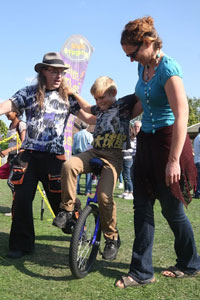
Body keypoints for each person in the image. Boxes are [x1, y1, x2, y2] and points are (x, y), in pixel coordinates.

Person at [115, 16, 200, 288]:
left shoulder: (169, 68)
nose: (131, 60)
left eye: (133, 54)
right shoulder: (143, 69)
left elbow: (181, 115)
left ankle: (190, 263)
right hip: (147, 142)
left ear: (149, 43)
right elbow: (143, 100)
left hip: (169, 142)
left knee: (172, 210)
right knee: (142, 207)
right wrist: (119, 109)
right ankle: (142, 272)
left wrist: (174, 161)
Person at [0, 52, 95, 259]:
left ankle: (80, 231)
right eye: (53, 71)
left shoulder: (68, 97)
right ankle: (21, 245)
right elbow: (6, 106)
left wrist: (76, 94)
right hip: (29, 156)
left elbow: (91, 118)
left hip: (54, 157)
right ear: (43, 72)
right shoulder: (28, 92)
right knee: (22, 199)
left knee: (61, 200)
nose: (59, 75)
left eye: (61, 71)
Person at [53, 76, 138, 261]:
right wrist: (73, 93)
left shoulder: (124, 104)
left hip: (113, 157)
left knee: (104, 197)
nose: (99, 103)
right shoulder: (99, 109)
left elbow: (142, 94)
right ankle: (67, 210)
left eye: (102, 98)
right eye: (97, 99)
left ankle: (111, 238)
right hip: (95, 152)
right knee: (69, 165)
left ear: (113, 93)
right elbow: (85, 108)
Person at [0, 110, 26, 216]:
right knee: (13, 183)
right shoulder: (10, 125)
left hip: (19, 158)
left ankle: (20, 206)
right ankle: (15, 208)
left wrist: (8, 150)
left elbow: (23, 142)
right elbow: (10, 141)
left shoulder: (21, 124)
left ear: (16, 112)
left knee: (12, 182)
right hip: (11, 158)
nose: (6, 114)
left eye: (8, 112)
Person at [72, 122, 93, 196]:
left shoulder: (76, 135)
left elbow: (74, 146)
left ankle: (76, 190)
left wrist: (74, 153)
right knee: (88, 173)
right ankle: (87, 190)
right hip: (87, 154)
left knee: (78, 174)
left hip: (77, 154)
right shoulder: (89, 135)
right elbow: (90, 145)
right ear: (87, 126)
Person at [193, 127, 200, 198]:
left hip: (197, 160)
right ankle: (198, 193)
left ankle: (197, 192)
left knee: (198, 178)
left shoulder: (196, 137)